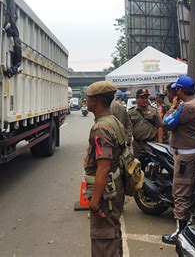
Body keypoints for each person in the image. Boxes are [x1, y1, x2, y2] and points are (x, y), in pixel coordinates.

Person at [84, 81, 126, 257]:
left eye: (88, 98)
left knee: (104, 239)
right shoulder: (114, 121)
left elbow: (103, 167)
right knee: (113, 234)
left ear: (95, 100)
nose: (86, 101)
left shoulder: (101, 128)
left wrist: (94, 202)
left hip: (106, 192)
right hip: (116, 185)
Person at [161, 76, 195, 245]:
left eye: (176, 90)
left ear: (179, 91)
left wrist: (173, 106)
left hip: (187, 157)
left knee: (180, 193)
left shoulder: (187, 107)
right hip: (191, 153)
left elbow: (166, 123)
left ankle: (180, 234)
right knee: (185, 191)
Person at [128, 88, 163, 157]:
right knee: (137, 164)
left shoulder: (154, 111)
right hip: (137, 144)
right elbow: (127, 128)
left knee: (152, 163)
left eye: (146, 98)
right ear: (137, 98)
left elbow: (160, 126)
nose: (145, 100)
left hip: (151, 143)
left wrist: (160, 141)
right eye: (142, 98)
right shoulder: (131, 112)